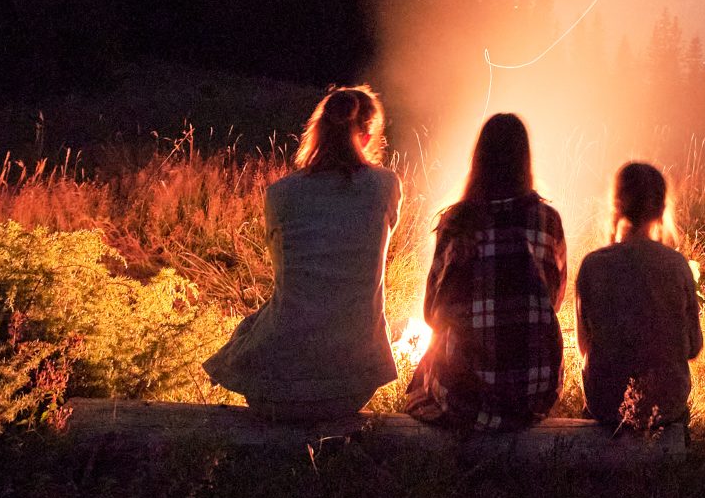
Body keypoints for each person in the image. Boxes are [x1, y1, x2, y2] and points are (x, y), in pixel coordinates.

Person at [203, 85, 402, 421]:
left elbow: (286, 274)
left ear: (318, 133)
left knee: (254, 324)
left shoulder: (281, 194)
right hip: (352, 386)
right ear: (367, 138)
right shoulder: (385, 185)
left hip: (275, 388)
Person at [403, 112, 566, 431]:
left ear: (478, 160)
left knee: (428, 365)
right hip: (533, 393)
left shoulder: (456, 222)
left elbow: (431, 313)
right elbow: (553, 302)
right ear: (525, 160)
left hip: (464, 397)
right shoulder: (548, 220)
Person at [575, 160, 704, 433]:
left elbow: (584, 348)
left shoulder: (592, 265)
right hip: (666, 407)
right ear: (661, 210)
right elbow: (693, 347)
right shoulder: (677, 265)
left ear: (615, 207)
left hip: (608, 407)